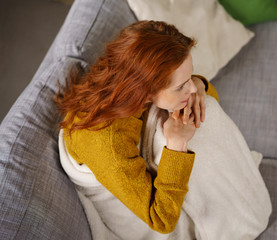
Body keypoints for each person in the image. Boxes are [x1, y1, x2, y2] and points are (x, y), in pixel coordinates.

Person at [55, 20, 219, 234]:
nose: (191, 88)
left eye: (190, 77)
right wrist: (177, 146)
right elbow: (162, 221)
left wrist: (199, 84)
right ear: (145, 90)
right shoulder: (108, 143)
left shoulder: (126, 74)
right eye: (181, 86)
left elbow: (213, 105)